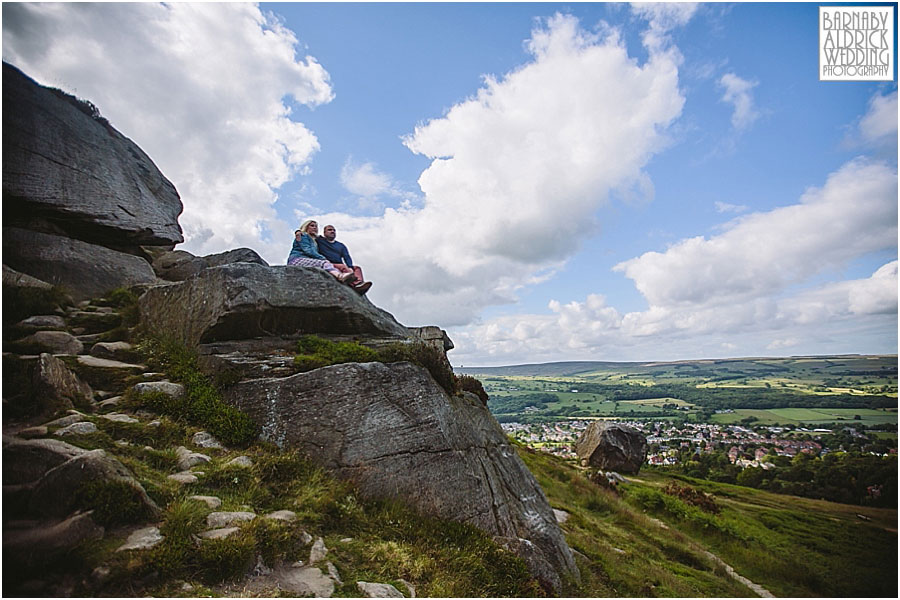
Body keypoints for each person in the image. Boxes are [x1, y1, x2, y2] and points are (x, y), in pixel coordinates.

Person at [287, 220, 357, 285]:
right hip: (297, 259)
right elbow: (308, 250)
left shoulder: (314, 240)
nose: (314, 228)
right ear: (306, 227)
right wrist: (323, 258)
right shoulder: (303, 236)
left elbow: (347, 257)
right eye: (312, 226)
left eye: (316, 226)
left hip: (306, 260)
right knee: (324, 263)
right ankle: (340, 276)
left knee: (356, 268)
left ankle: (356, 283)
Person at [316, 224, 373, 295]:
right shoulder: (320, 241)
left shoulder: (340, 245)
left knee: (357, 268)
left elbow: (347, 257)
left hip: (339, 264)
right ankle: (355, 284)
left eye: (334, 230)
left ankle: (359, 284)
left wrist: (350, 267)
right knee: (343, 266)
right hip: (328, 264)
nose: (332, 231)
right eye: (330, 230)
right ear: (324, 233)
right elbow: (309, 234)